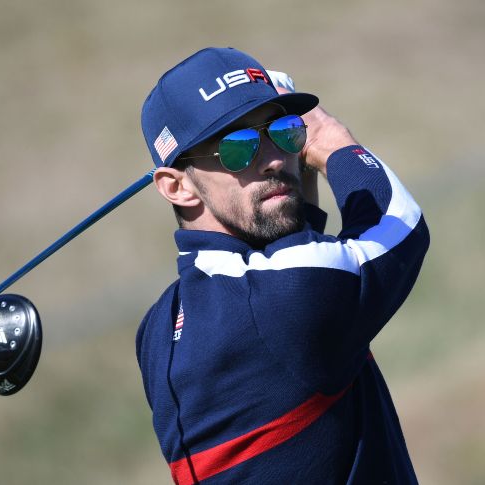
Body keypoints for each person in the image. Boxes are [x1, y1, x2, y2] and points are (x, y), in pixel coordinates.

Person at [136, 47, 430, 485]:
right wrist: (330, 141)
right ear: (177, 187)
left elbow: (291, 247)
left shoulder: (158, 331)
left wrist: (291, 176)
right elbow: (399, 224)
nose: (273, 159)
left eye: (283, 133)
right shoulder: (284, 297)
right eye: (237, 148)